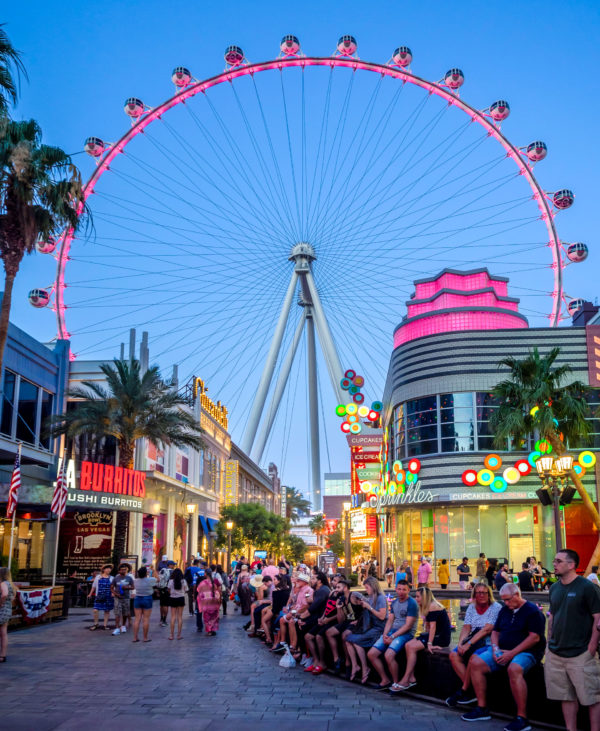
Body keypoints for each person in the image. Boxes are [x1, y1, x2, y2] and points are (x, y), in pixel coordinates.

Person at [461, 583, 546, 730]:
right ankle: (482, 708)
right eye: (504, 600)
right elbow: (495, 632)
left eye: (507, 600)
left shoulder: (532, 611)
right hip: (502, 649)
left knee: (514, 669)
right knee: (475, 663)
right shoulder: (505, 610)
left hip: (527, 652)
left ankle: (522, 717)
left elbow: (534, 638)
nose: (505, 603)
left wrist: (512, 653)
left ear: (517, 595)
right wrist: (495, 649)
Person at [544, 548, 600, 731]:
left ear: (572, 565)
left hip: (581, 653)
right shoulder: (554, 587)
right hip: (556, 653)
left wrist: (591, 648)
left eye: (559, 561)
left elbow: (598, 618)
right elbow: (552, 616)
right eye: (554, 561)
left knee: (592, 698)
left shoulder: (587, 587)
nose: (554, 564)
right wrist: (548, 643)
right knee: (565, 696)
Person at [446, 583, 501, 707]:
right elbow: (466, 627)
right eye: (478, 592)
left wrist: (469, 644)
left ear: (489, 594)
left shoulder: (496, 607)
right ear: (474, 594)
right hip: (474, 639)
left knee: (473, 658)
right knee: (454, 655)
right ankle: (472, 690)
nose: (481, 595)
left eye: (484, 592)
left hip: (487, 640)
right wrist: (461, 643)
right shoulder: (472, 607)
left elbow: (487, 629)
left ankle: (465, 690)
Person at [395, 587, 451, 692]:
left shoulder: (432, 606)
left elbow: (433, 627)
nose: (416, 599)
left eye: (418, 596)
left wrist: (429, 643)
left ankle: (406, 679)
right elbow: (430, 627)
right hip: (434, 635)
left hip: (441, 638)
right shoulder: (429, 605)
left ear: (424, 597)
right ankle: (411, 678)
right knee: (407, 644)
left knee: (411, 648)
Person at [367, 579, 418, 689]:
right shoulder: (394, 602)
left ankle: (395, 682)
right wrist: (385, 635)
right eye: (399, 589)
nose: (401, 591)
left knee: (388, 655)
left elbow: (408, 626)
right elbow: (390, 620)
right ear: (396, 589)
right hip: (392, 632)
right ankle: (385, 679)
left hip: (405, 634)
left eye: (404, 589)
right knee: (371, 654)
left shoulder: (412, 603)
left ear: (409, 590)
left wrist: (393, 636)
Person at [345, 576, 388, 684]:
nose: (366, 590)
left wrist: (369, 607)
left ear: (373, 587)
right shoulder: (371, 598)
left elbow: (382, 616)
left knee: (354, 641)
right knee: (349, 640)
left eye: (367, 588)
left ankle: (364, 668)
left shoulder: (380, 598)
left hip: (379, 628)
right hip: (371, 627)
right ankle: (356, 666)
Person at [132, 566, 156, 642]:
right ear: (146, 573)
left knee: (137, 619)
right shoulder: (150, 580)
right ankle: (145, 638)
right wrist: (154, 571)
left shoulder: (135, 581)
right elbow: (158, 579)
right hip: (147, 598)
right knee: (146, 619)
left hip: (137, 598)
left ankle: (135, 637)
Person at [197, 567, 222, 635]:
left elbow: (198, 590)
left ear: (205, 574)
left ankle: (209, 630)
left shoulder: (202, 582)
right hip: (214, 601)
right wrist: (219, 599)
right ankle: (213, 629)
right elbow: (219, 590)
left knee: (207, 616)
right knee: (214, 616)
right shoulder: (215, 581)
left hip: (206, 602)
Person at [111, 563, 134, 636]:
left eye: (125, 570)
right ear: (119, 571)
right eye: (122, 570)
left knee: (125, 613)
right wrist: (115, 594)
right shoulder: (116, 578)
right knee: (117, 613)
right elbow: (111, 587)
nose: (124, 571)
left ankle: (123, 625)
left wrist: (127, 588)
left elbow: (133, 587)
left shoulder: (129, 578)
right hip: (118, 598)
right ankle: (117, 627)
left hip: (126, 597)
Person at [88, 564, 114, 630]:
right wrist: (90, 594)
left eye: (109, 569)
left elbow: (114, 587)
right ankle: (96, 624)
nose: (109, 570)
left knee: (107, 611)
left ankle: (105, 625)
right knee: (95, 610)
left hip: (108, 596)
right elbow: (93, 586)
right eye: (107, 568)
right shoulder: (98, 577)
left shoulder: (111, 578)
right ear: (103, 570)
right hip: (99, 596)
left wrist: (113, 593)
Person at [166, 567, 188, 640]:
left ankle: (171, 635)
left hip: (173, 598)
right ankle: (179, 635)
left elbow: (168, 590)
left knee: (173, 617)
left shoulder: (171, 581)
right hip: (181, 598)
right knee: (179, 617)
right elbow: (186, 589)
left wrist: (172, 593)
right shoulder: (183, 581)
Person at [0, 567, 15, 662]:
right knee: (3, 633)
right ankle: (2, 655)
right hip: (7, 610)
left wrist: (1, 602)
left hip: (1, 610)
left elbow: (4, 594)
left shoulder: (3, 583)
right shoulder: (11, 584)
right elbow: (12, 597)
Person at [157, 560, 175, 627]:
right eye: (173, 565)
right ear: (170, 565)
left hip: (162, 588)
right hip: (168, 589)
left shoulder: (162, 570)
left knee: (162, 604)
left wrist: (158, 589)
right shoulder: (172, 572)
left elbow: (159, 579)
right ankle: (164, 620)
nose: (174, 566)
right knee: (166, 605)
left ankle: (161, 618)